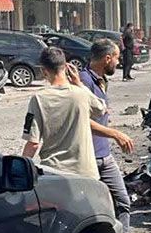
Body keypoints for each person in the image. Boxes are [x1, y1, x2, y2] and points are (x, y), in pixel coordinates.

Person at [79, 38, 150, 233]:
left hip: (105, 157)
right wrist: (115, 133)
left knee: (122, 202)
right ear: (107, 58)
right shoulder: (83, 81)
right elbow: (82, 121)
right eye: (117, 57)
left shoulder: (100, 80)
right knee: (89, 213)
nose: (119, 62)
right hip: (87, 159)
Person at [22, 47, 105, 179]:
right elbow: (101, 109)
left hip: (55, 173)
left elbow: (33, 143)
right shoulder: (81, 94)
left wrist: (19, 170)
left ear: (44, 71)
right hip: (86, 173)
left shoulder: (38, 99)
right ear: (66, 67)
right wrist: (79, 84)